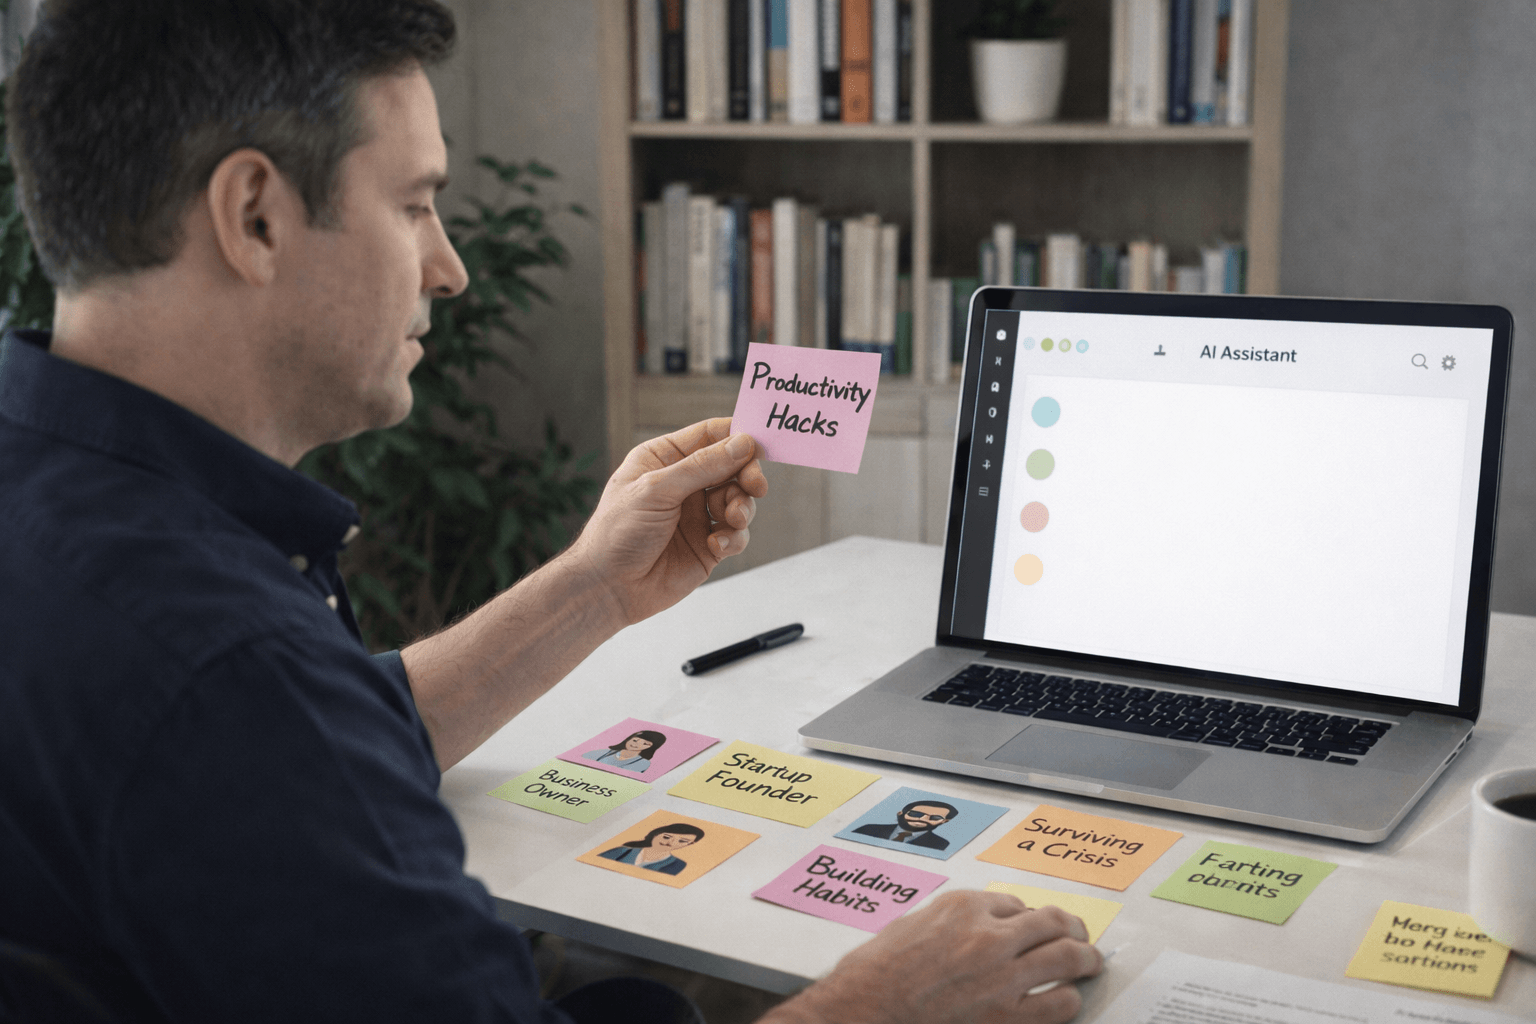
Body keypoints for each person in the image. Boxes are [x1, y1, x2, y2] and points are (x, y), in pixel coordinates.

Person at [0, 2, 1102, 1022]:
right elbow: (267, 724)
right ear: (255, 216)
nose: (450, 268)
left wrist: (594, 586)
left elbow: (318, 737)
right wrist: (876, 1007)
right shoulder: (224, 669)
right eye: (416, 204)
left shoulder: (65, 504)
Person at [598, 824, 704, 876]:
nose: (670, 843)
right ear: (656, 834)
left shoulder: (678, 864)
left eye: (682, 841)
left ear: (689, 844)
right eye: (666, 837)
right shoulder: (622, 851)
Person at [854, 800, 961, 850]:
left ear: (944, 821)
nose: (923, 819)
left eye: (935, 817)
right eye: (916, 814)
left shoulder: (940, 844)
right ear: (900, 813)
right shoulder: (869, 829)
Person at [584, 729, 667, 773]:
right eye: (635, 740)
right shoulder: (603, 753)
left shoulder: (644, 763)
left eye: (645, 743)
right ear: (628, 739)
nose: (636, 744)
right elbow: (583, 759)